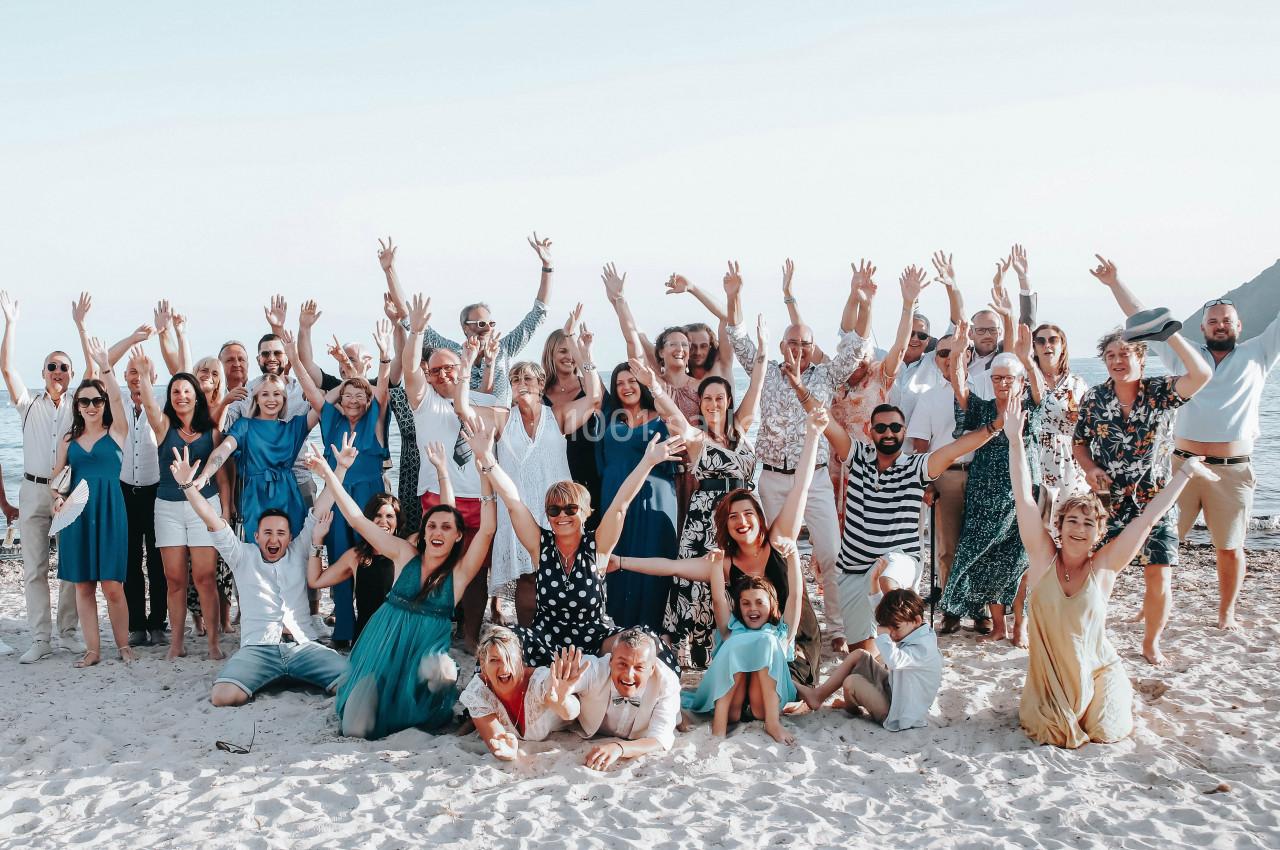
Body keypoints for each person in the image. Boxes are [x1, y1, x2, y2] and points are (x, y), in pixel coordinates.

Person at [1006, 393, 1218, 747]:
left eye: (1088, 524)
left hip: (1098, 670)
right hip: (1050, 681)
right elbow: (1023, 499)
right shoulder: (1043, 558)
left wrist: (1185, 472)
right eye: (1071, 520)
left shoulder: (1105, 566)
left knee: (1106, 731)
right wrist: (1015, 439)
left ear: (1099, 533)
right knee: (1052, 730)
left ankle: (1114, 693)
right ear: (1058, 526)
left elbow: (1148, 519)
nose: (1078, 528)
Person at [1103, 278, 1280, 632]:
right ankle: (1147, 608)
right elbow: (1143, 317)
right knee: (1159, 541)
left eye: (1226, 320)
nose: (1220, 325)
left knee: (1230, 547)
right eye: (1213, 321)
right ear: (1202, 327)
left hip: (1232, 470)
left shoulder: (1259, 353)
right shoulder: (1186, 355)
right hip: (1180, 466)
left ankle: (1226, 612)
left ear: (1239, 326)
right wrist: (1114, 282)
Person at [613, 407, 830, 686]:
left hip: (794, 639)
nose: (742, 521)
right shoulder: (726, 562)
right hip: (753, 644)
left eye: (748, 514)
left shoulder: (779, 540)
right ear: (725, 527)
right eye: (733, 517)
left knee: (778, 685)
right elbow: (671, 567)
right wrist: (620, 562)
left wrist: (813, 434)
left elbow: (801, 485)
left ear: (760, 518)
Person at [723, 260, 874, 653]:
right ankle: (781, 620)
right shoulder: (767, 372)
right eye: (792, 343)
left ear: (812, 348)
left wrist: (865, 299)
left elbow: (855, 346)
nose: (799, 349)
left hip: (816, 478)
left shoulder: (825, 377)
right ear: (781, 346)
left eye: (806, 344)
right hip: (772, 478)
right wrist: (733, 295)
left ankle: (838, 627)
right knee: (774, 552)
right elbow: (738, 337)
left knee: (830, 553)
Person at [305, 437, 496, 739]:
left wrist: (484, 468)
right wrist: (328, 473)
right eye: (431, 526)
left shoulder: (459, 575)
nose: (437, 532)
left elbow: (487, 528)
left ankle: (427, 707)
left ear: (459, 536)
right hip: (382, 648)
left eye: (447, 528)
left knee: (442, 672)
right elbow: (356, 518)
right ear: (423, 532)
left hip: (425, 658)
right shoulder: (404, 554)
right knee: (355, 727)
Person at [1074, 256, 1212, 665]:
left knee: (1159, 571)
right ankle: (1093, 636)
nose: (1118, 361)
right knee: (1101, 573)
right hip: (1107, 500)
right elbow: (1079, 443)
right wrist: (1088, 467)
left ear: (1141, 356)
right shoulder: (1094, 398)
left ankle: (1151, 643)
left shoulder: (1160, 392)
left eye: (1126, 354)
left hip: (1156, 499)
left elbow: (1201, 374)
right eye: (1111, 356)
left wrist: (1170, 336)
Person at [478, 414, 684, 671]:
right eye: (553, 510)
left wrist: (648, 461)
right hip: (546, 639)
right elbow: (513, 501)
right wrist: (487, 460)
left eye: (570, 509)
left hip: (595, 638)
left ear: (585, 512)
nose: (561, 516)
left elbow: (620, 505)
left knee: (650, 645)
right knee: (496, 646)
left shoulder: (597, 546)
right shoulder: (540, 545)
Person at [169, 447, 347, 706]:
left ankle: (294, 674)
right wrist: (187, 485)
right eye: (267, 533)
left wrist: (340, 469)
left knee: (352, 681)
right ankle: (276, 676)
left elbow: (321, 507)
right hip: (258, 649)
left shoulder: (297, 552)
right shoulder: (242, 555)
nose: (274, 539)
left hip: (303, 644)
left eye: (281, 533)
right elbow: (211, 518)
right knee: (223, 696)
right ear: (256, 536)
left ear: (289, 537)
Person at [834, 396, 1013, 654]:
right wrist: (801, 389)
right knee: (864, 656)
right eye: (881, 427)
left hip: (900, 558)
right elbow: (829, 426)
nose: (888, 433)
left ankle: (913, 636)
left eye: (895, 427)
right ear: (869, 430)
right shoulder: (857, 456)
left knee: (887, 579)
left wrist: (994, 426)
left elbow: (955, 449)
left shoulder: (915, 466)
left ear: (904, 432)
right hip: (853, 567)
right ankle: (890, 653)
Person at [456, 309, 599, 625]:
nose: (521, 383)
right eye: (516, 379)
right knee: (527, 578)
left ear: (540, 383)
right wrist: (466, 367)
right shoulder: (503, 418)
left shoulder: (558, 416)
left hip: (557, 507)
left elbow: (593, 399)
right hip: (519, 509)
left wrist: (585, 355)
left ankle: (563, 631)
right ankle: (529, 637)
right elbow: (463, 407)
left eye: (528, 379)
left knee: (566, 572)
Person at [646, 317, 765, 669]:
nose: (713, 403)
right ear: (700, 404)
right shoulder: (696, 436)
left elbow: (756, 385)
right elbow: (668, 408)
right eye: (707, 398)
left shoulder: (741, 428)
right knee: (694, 579)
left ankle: (737, 636)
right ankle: (695, 649)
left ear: (728, 400)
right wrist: (653, 382)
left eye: (719, 397)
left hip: (743, 512)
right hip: (705, 515)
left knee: (741, 575)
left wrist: (763, 350)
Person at [939, 302, 1046, 645]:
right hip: (984, 489)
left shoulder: (1031, 407)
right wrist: (957, 353)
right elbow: (959, 385)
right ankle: (998, 625)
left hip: (1022, 491)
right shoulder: (984, 409)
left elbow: (1040, 389)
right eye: (997, 378)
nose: (1001, 383)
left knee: (1020, 557)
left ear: (1020, 381)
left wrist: (1027, 358)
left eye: (1008, 378)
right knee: (986, 557)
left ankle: (1020, 625)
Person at [285, 324, 392, 648]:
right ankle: (343, 629)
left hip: (370, 495)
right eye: (348, 394)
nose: (355, 399)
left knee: (373, 560)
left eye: (361, 394)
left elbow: (382, 388)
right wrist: (293, 354)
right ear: (341, 397)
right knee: (339, 556)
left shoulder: (376, 416)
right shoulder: (331, 418)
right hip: (336, 494)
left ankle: (373, 626)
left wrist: (385, 357)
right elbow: (311, 388)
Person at [401, 293, 492, 650]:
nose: (442, 375)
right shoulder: (424, 402)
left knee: (476, 573)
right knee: (437, 567)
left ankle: (470, 634)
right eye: (435, 370)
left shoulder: (479, 400)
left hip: (478, 497)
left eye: (449, 368)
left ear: (462, 369)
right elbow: (410, 369)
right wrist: (417, 332)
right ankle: (437, 632)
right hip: (437, 495)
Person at [130, 350, 232, 660]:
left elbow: (224, 478)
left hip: (205, 507)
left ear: (197, 397)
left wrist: (225, 511)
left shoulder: (212, 431)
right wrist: (144, 374)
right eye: (175, 391)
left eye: (187, 391)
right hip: (168, 508)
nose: (181, 396)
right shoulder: (163, 428)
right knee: (175, 580)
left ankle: (213, 643)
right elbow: (148, 403)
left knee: (205, 577)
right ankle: (177, 643)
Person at [0, 290, 83, 663]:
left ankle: (67, 633)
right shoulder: (27, 404)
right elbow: (5, 367)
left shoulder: (81, 406)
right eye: (52, 367)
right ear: (43, 373)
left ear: (71, 375)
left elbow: (99, 371)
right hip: (32, 492)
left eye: (64, 367)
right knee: (33, 569)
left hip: (66, 494)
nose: (58, 373)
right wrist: (11, 324)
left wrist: (80, 326)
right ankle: (40, 639)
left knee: (70, 567)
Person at [380, 234, 552, 408]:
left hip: (500, 429)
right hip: (465, 429)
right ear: (465, 328)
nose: (487, 329)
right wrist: (389, 270)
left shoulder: (504, 349)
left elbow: (538, 314)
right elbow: (409, 318)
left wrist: (548, 267)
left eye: (490, 324)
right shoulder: (451, 355)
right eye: (480, 324)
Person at [308, 440, 452, 640]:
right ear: (369, 520)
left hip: (397, 639)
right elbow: (316, 580)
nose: (383, 521)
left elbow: (446, 519)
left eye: (389, 516)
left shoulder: (408, 549)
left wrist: (442, 471)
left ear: (398, 522)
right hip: (365, 643)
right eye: (377, 516)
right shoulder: (355, 556)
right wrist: (317, 540)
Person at [49, 339, 136, 667]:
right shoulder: (69, 440)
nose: (90, 405)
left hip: (110, 510)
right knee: (83, 587)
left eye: (96, 400)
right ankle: (93, 650)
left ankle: (123, 645)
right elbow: (56, 480)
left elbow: (116, 395)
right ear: (77, 405)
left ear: (103, 403)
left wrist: (106, 368)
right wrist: (57, 498)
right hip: (78, 515)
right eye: (84, 401)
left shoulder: (117, 431)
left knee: (113, 586)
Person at [829, 266, 931, 515]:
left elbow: (900, 345)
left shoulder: (879, 376)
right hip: (834, 468)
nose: (859, 360)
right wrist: (855, 295)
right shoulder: (831, 378)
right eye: (852, 357)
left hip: (873, 465)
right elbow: (847, 331)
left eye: (863, 355)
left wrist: (908, 306)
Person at [681, 545, 803, 745]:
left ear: (772, 605)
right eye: (745, 603)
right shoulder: (733, 629)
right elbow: (719, 600)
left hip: (763, 705)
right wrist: (717, 565)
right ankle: (719, 725)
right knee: (735, 642)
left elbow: (795, 596)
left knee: (765, 641)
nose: (752, 608)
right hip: (731, 705)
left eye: (759, 602)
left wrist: (792, 557)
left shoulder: (780, 633)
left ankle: (773, 724)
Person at [797, 588, 941, 731]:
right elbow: (886, 614)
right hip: (895, 690)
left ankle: (851, 708)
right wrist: (874, 584)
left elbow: (894, 661)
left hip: (898, 714)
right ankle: (818, 696)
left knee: (851, 681)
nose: (892, 634)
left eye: (896, 628)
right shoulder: (919, 631)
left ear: (916, 620)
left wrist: (883, 635)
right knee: (859, 654)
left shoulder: (924, 647)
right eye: (889, 629)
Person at [541, 631, 683, 770]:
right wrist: (560, 694)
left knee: (677, 719)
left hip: (641, 734)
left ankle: (682, 715)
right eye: (622, 664)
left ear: (652, 669)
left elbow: (659, 740)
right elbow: (555, 689)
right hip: (589, 728)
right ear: (610, 660)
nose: (629, 675)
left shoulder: (667, 682)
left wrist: (619, 748)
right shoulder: (593, 669)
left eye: (639, 667)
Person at [906, 333, 968, 595]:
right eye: (943, 353)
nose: (949, 358)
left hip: (982, 474)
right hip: (946, 476)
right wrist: (927, 483)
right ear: (936, 360)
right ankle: (951, 605)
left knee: (980, 542)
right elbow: (920, 444)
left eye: (956, 352)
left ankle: (981, 610)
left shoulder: (985, 388)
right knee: (946, 547)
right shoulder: (929, 397)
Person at [460, 626, 577, 761]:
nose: (504, 668)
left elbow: (572, 713)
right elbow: (497, 740)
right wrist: (507, 752)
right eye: (494, 660)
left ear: (520, 661)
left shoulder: (541, 682)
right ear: (483, 664)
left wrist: (562, 701)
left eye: (509, 658)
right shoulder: (478, 693)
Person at [541, 310, 605, 531]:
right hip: (550, 472)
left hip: (587, 471)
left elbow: (596, 399)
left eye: (573, 352)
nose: (569, 357)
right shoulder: (539, 392)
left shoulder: (589, 385)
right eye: (563, 351)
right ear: (551, 353)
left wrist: (580, 349)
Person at [1030, 323, 1089, 505]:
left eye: (1053, 340)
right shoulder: (1025, 380)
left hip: (1070, 460)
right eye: (1040, 341)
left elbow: (1088, 428)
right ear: (1034, 348)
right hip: (1035, 457)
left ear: (1062, 345)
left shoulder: (1078, 384)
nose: (1047, 345)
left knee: (1068, 513)